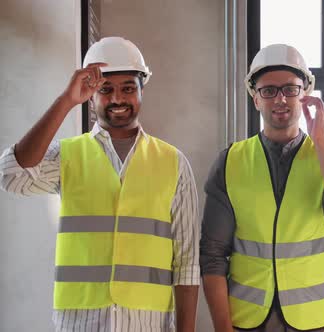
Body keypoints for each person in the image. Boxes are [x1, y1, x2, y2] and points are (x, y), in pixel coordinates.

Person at [0, 37, 199, 332]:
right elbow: (12, 174)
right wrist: (66, 100)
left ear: (142, 90)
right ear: (91, 96)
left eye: (128, 88)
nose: (117, 99)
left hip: (148, 324)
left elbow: (187, 262)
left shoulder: (174, 162)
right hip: (80, 324)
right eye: (105, 90)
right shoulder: (67, 156)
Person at [199, 44, 324, 332]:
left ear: (304, 95)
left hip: (314, 322)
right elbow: (213, 255)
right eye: (269, 90)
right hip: (246, 321)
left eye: (291, 89)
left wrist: (322, 144)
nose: (280, 98)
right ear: (255, 99)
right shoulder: (230, 162)